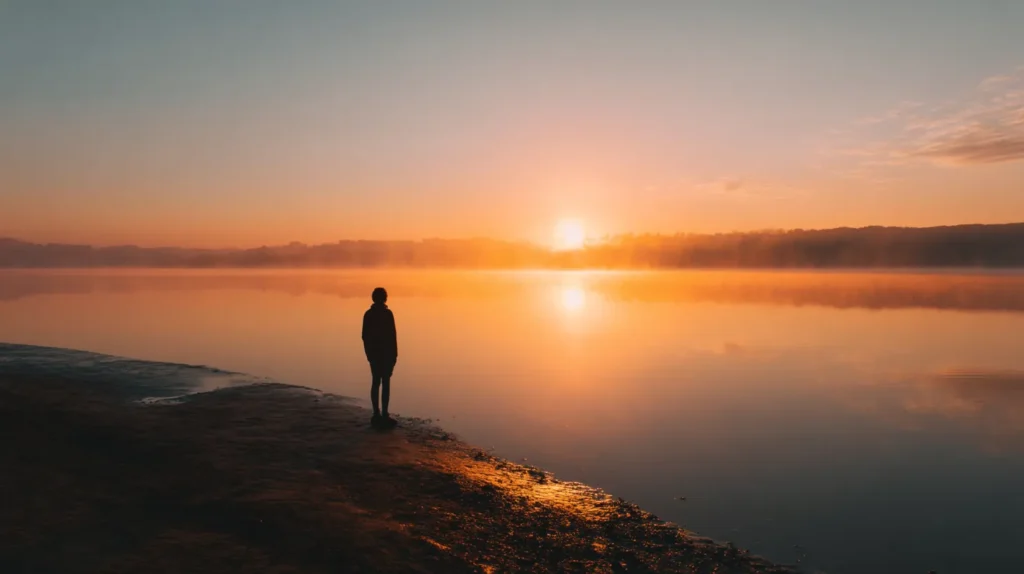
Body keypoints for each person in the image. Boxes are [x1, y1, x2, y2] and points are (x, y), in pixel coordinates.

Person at [362, 287, 398, 428]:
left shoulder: (368, 314)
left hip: (375, 354)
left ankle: (377, 413)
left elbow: (364, 336)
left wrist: (368, 353)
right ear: (385, 298)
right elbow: (393, 336)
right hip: (384, 353)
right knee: (384, 383)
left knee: (376, 382)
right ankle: (383, 414)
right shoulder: (387, 314)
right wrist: (394, 355)